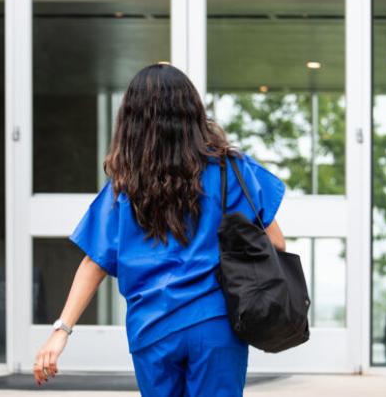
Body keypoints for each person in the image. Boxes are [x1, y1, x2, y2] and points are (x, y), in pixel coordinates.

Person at [32, 63, 286, 396]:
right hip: (216, 323)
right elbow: (276, 244)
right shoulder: (230, 168)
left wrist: (61, 330)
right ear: (192, 110)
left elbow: (93, 262)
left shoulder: (125, 185)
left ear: (132, 119)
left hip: (153, 329)